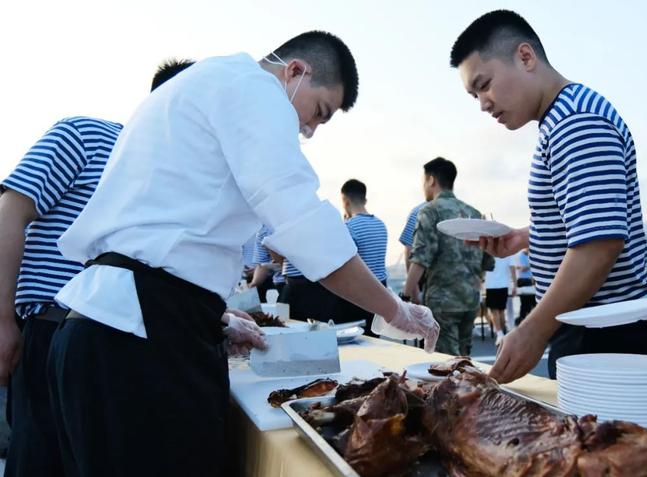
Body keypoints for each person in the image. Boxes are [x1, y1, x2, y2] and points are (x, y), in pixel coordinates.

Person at [45, 31, 438, 477]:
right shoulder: (253, 88)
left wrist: (215, 317)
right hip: (133, 344)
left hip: (113, 325)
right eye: (317, 112)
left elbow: (167, 235)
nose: (308, 129)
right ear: (295, 71)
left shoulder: (203, 85)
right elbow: (304, 223)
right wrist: (394, 310)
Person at [450, 10, 647, 383]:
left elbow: (600, 243)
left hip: (608, 337)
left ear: (525, 56)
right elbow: (586, 225)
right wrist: (525, 237)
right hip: (595, 330)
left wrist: (534, 330)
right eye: (474, 96)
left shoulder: (576, 121)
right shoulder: (563, 118)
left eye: (484, 85)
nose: (483, 104)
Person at [0, 58, 194, 477]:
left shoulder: (178, 178)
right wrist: (2, 322)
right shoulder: (86, 136)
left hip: (125, 350)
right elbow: (8, 214)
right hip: (53, 331)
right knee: (40, 463)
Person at [402, 157, 492, 356]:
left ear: (432, 180)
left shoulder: (430, 211)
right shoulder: (474, 212)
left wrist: (406, 296)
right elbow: (488, 259)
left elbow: (420, 258)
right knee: (465, 361)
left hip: (443, 302)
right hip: (470, 300)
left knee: (446, 364)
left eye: (424, 182)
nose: (424, 187)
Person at [336, 179, 388, 328]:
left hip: (358, 295)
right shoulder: (381, 225)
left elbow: (344, 266)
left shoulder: (348, 227)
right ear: (364, 199)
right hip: (380, 292)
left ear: (345, 201)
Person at [249, 225, 285, 302]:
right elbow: (262, 265)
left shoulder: (264, 230)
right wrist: (253, 283)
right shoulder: (263, 231)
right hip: (283, 283)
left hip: (303, 281)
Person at [484, 256, 512, 346]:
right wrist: (514, 285)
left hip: (491, 285)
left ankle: (500, 334)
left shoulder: (488, 252)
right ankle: (503, 334)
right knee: (501, 311)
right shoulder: (508, 252)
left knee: (494, 311)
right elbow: (512, 268)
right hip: (503, 284)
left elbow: (482, 269)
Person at [399, 202, 426, 272]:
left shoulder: (418, 211)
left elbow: (409, 249)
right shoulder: (458, 208)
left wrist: (410, 278)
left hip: (426, 277)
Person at [513, 248, 536, 325]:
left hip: (530, 281)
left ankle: (528, 320)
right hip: (523, 281)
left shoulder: (529, 255)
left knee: (532, 303)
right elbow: (522, 268)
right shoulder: (521, 256)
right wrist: (531, 265)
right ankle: (522, 320)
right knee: (525, 303)